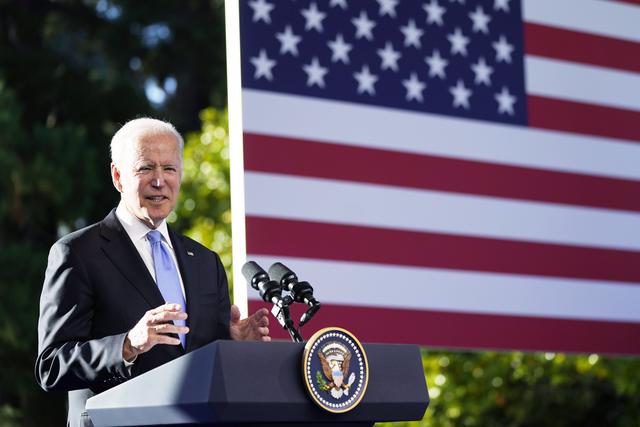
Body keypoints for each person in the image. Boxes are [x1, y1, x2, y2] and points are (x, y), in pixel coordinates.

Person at [35, 118, 270, 427]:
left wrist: (233, 348)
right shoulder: (77, 253)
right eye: (146, 168)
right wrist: (128, 344)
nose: (159, 181)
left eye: (169, 169)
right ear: (118, 176)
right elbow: (51, 366)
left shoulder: (205, 261)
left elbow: (206, 365)